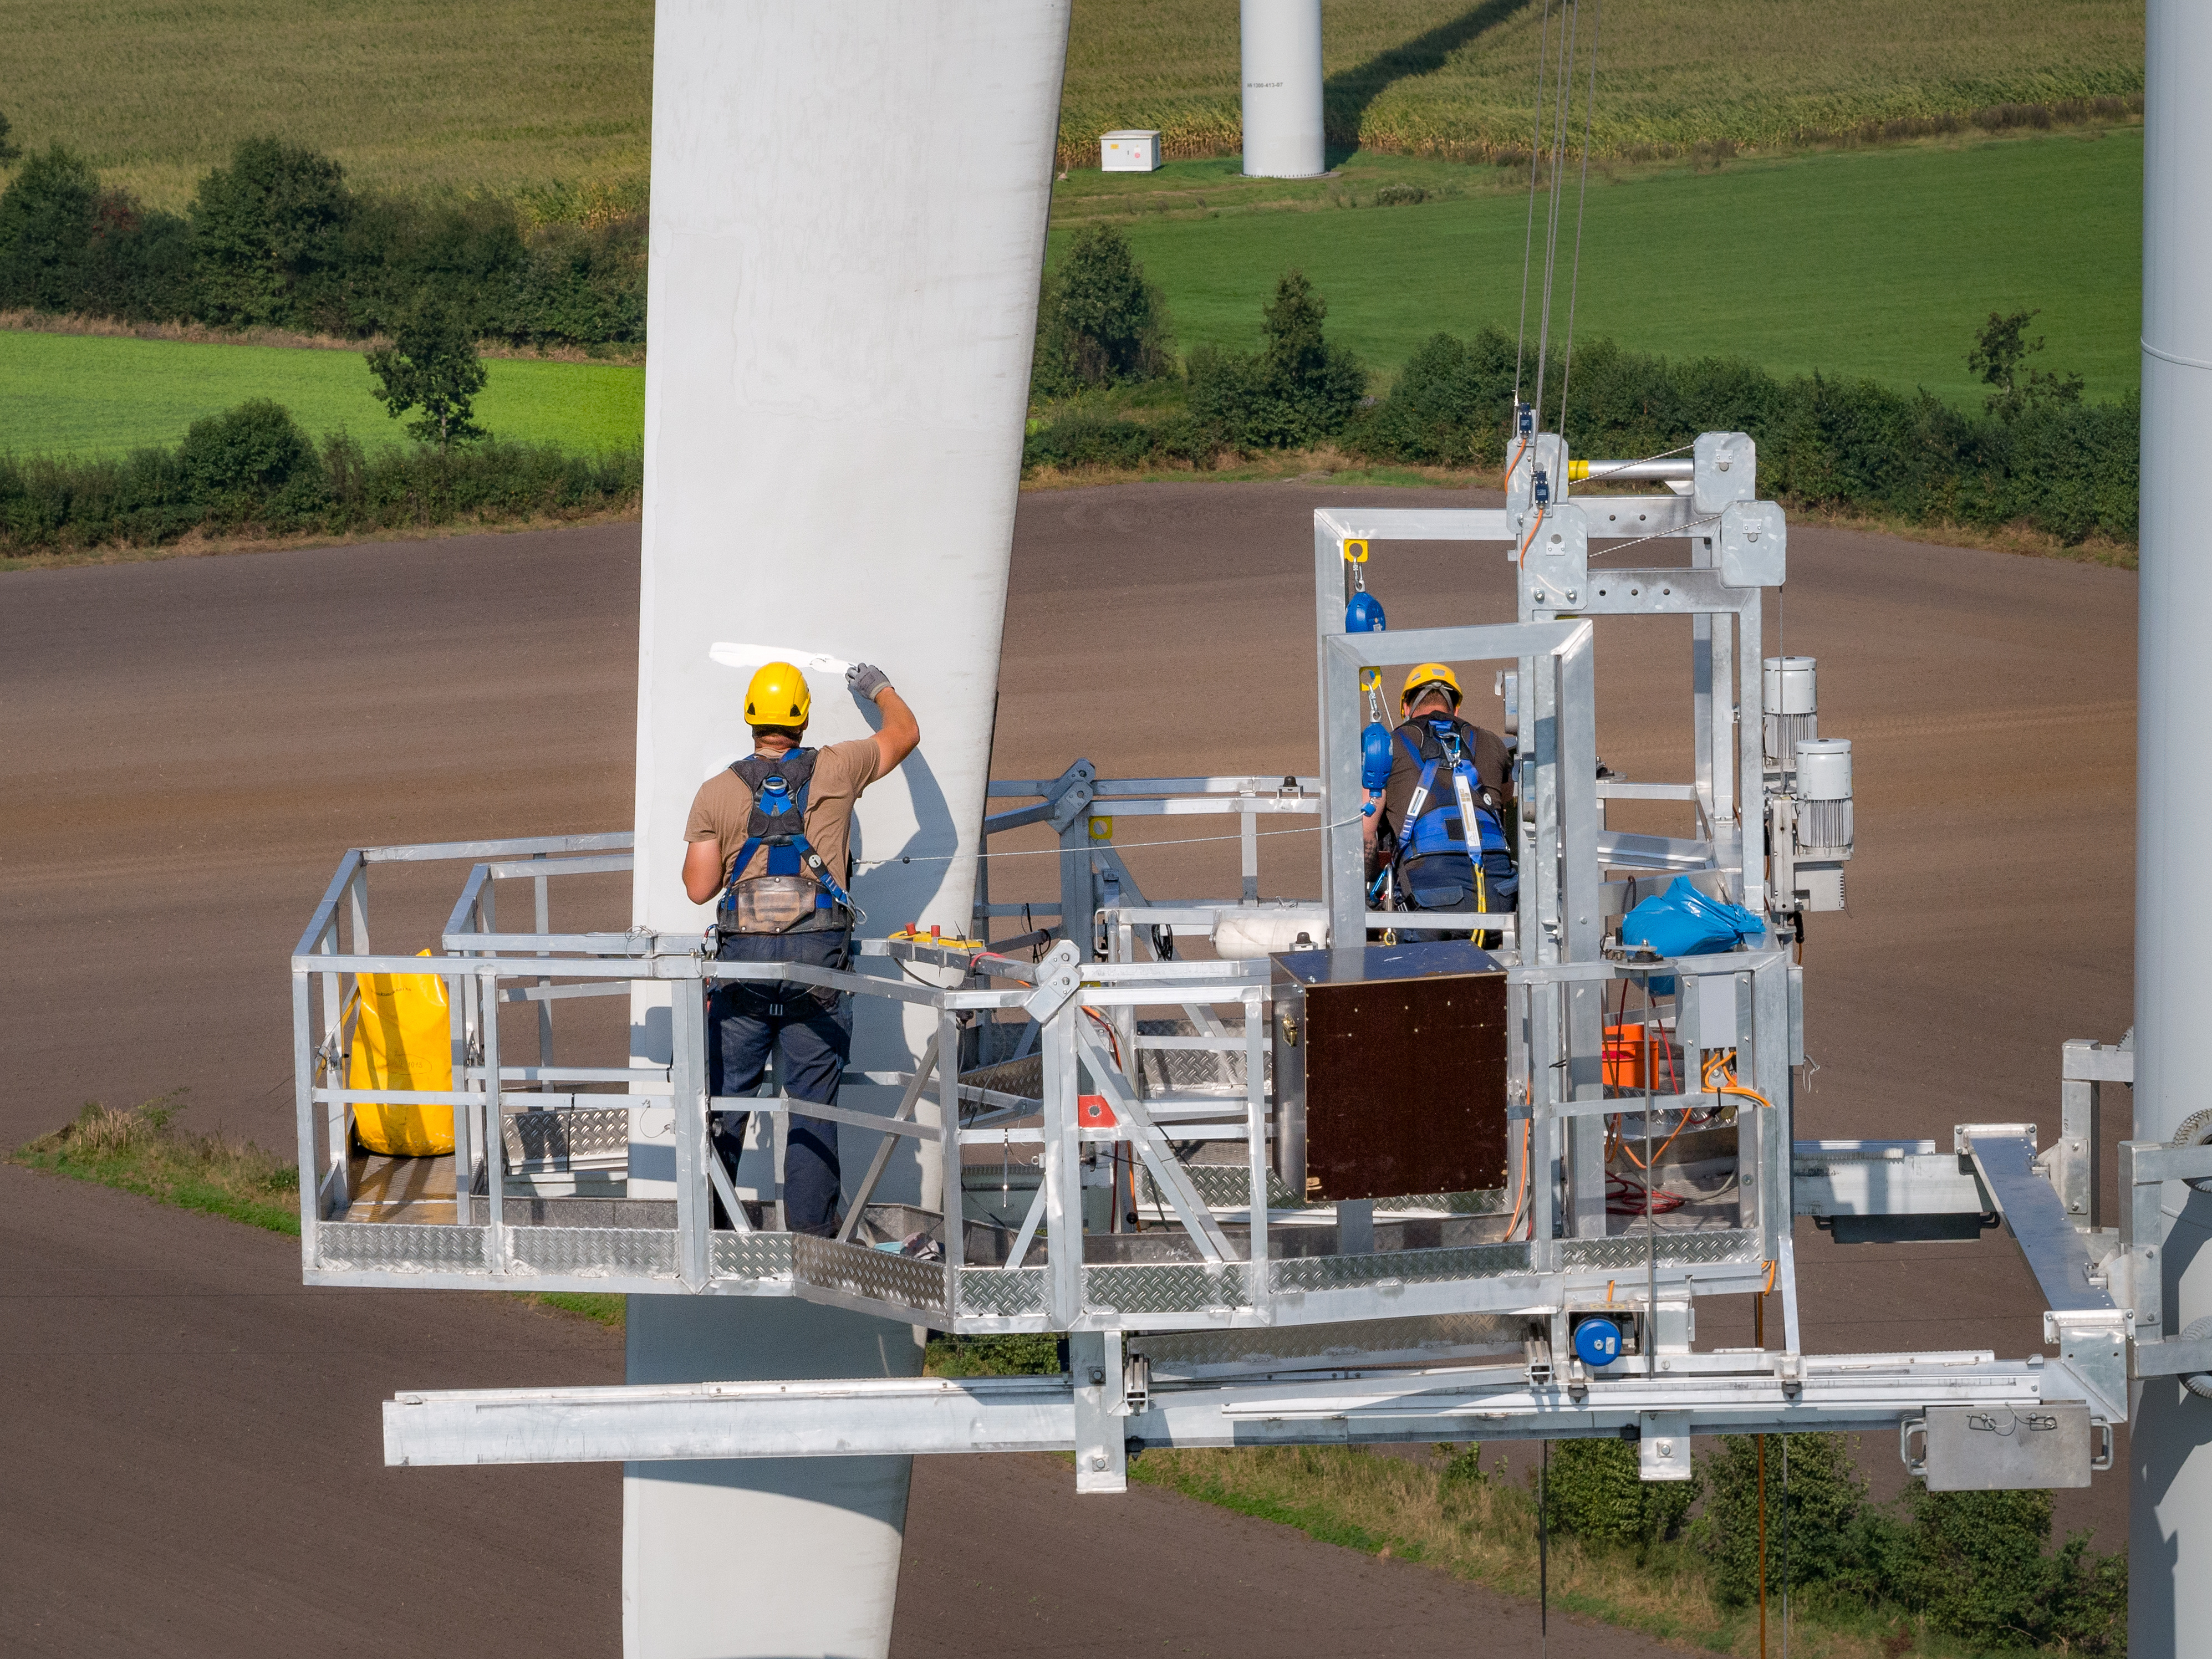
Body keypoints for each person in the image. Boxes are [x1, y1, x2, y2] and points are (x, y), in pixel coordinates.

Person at [680, 659, 920, 1235]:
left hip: (742, 968)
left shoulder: (716, 793)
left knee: (725, 1101)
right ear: (803, 715)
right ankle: (812, 1235)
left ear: (750, 717)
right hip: (818, 965)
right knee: (811, 1106)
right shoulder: (839, 766)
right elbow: (904, 733)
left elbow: (697, 888)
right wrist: (878, 689)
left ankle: (712, 1228)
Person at [1364, 662, 1517, 943]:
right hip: (1500, 899)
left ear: (1406, 707)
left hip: (1428, 903)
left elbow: (1365, 835)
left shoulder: (1388, 747)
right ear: (1455, 709)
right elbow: (1507, 797)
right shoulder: (1491, 743)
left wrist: (1369, 893)